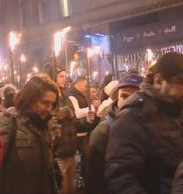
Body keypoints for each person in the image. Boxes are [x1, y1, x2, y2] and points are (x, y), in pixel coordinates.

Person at [105, 52, 183, 194]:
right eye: (181, 82)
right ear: (159, 81)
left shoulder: (176, 112)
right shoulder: (133, 116)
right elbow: (120, 177)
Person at [0, 74, 59, 194]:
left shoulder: (45, 126)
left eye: (52, 104)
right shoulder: (7, 122)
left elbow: (49, 173)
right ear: (30, 99)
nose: (49, 109)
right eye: (45, 103)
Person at [86, 72, 143, 194]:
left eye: (136, 97)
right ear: (117, 98)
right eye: (124, 96)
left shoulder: (149, 126)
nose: (129, 101)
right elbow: (94, 180)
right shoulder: (102, 132)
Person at [45, 65, 94, 194]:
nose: (64, 79)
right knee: (63, 189)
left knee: (72, 189)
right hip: (58, 154)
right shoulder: (49, 99)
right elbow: (49, 120)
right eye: (60, 76)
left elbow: (73, 124)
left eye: (65, 76)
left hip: (70, 151)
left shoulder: (66, 97)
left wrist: (87, 121)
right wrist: (59, 114)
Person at [68, 77, 101, 184]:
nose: (87, 89)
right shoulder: (72, 96)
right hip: (78, 130)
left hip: (84, 129)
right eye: (86, 86)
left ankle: (85, 176)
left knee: (86, 155)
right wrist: (91, 107)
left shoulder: (81, 95)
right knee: (85, 154)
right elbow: (76, 113)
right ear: (79, 85)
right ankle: (84, 177)